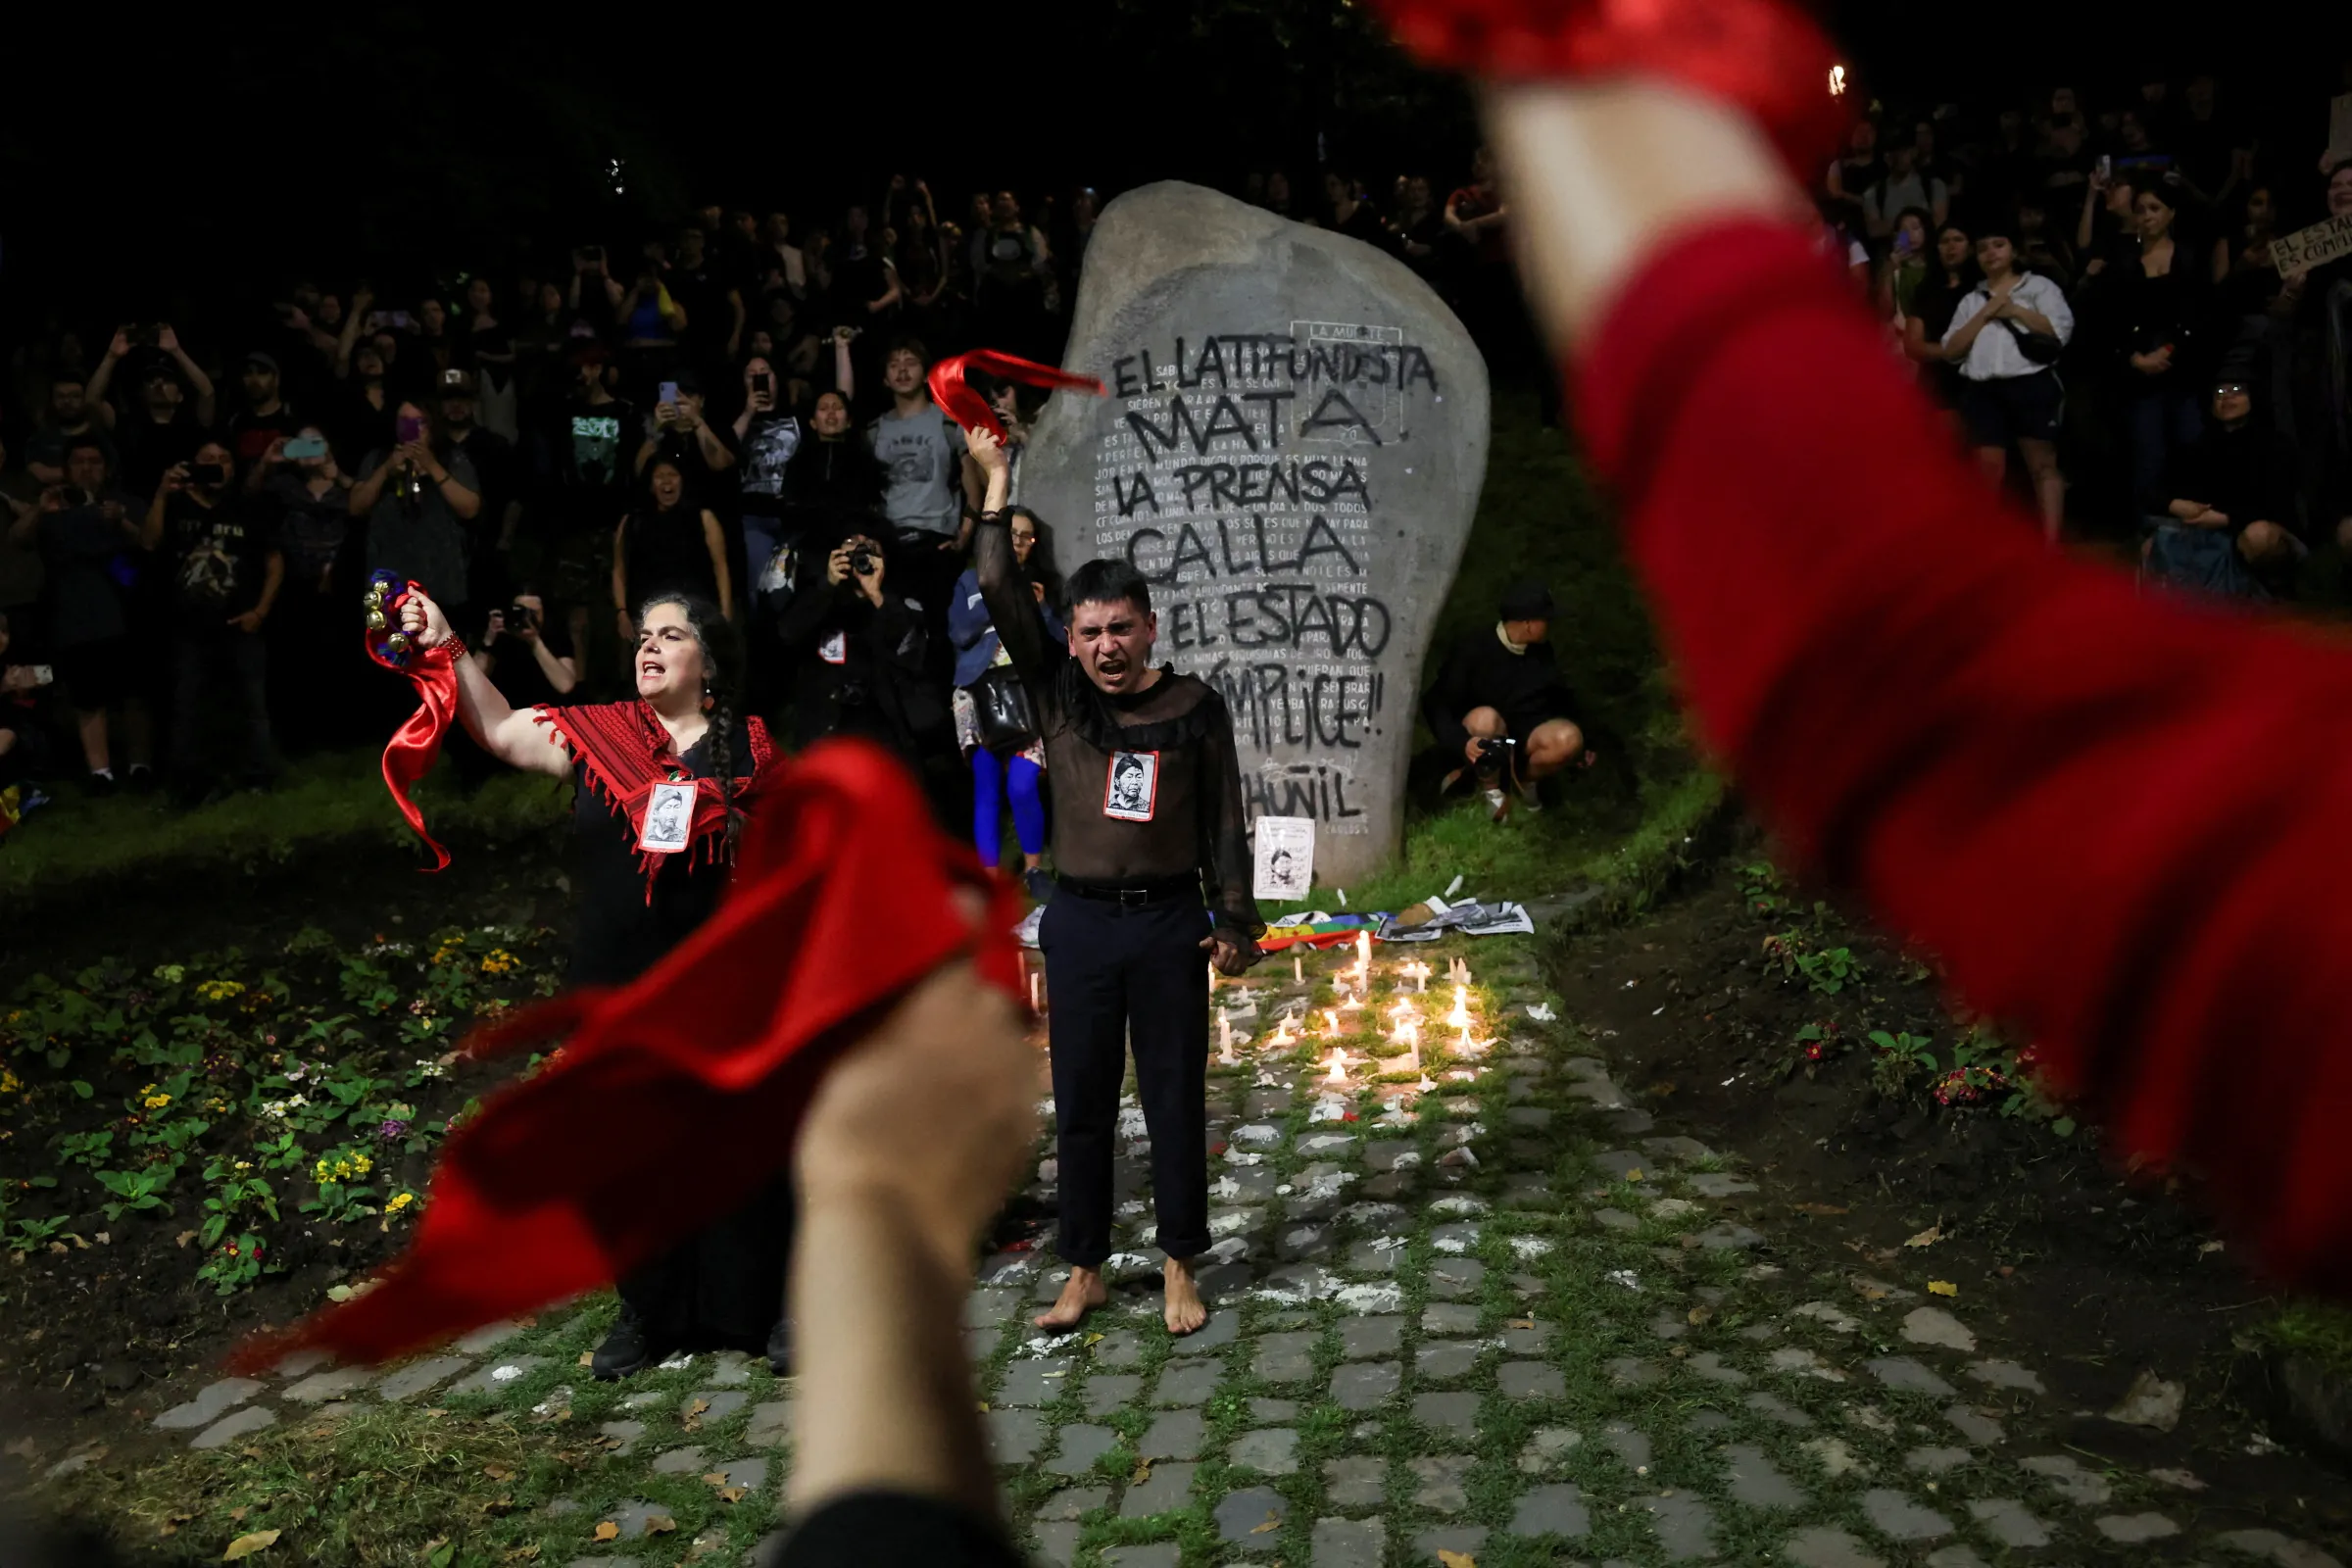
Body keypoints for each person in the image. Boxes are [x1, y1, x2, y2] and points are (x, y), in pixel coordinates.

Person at [392, 584, 794, 1378]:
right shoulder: (600, 734)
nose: (647, 647)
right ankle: (647, 1314)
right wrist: (447, 645)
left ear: (707, 662)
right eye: (642, 635)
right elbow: (503, 728)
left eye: (670, 635)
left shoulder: (752, 751)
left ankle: (772, 1305)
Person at [970, 428, 1261, 1338]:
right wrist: (998, 481)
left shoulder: (1194, 707)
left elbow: (1223, 817)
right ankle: (1085, 1269)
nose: (1106, 645)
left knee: (1174, 1096)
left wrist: (1236, 921)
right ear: (1071, 636)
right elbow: (993, 584)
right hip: (1082, 924)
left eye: (1120, 628)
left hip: (1171, 920)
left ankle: (1180, 1264)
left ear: (1150, 627)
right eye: (1090, 631)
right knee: (1084, 1102)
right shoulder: (1061, 696)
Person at [7, 439, 153, 793]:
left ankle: (140, 767)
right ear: (67, 468)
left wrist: (121, 522)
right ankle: (100, 773)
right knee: (89, 699)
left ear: (106, 467)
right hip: (75, 618)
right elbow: (18, 538)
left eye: (95, 461)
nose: (88, 468)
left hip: (125, 613)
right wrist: (40, 509)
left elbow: (149, 543)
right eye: (79, 462)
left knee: (133, 695)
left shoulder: (122, 504)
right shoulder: (55, 508)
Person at [143, 439, 281, 799]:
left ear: (234, 468)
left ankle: (258, 779)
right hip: (189, 628)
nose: (216, 466)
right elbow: (148, 543)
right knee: (188, 708)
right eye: (207, 460)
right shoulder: (175, 504)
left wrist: (260, 611)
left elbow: (274, 562)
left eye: (223, 460)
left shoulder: (247, 507)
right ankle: (191, 785)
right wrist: (160, 493)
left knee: (253, 707)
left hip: (241, 624)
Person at [949, 506, 1062, 899]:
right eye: (1011, 533)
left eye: (1026, 537)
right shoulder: (968, 581)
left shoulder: (1041, 585)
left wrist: (1042, 608)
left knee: (1023, 784)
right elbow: (959, 632)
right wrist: (995, 593)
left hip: (1024, 695)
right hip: (978, 694)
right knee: (986, 786)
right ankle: (991, 877)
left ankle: (1033, 869)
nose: (1017, 543)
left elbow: (1060, 645)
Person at [1940, 218, 2075, 540]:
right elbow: (1951, 349)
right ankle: (1985, 543)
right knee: (1986, 469)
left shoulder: (2039, 287)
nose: (1991, 253)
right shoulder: (1971, 300)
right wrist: (1987, 312)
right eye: (1984, 248)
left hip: (2031, 384)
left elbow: (2060, 331)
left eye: (1998, 245)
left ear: (2014, 250)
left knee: (2042, 465)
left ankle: (2049, 545)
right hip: (1984, 390)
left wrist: (2014, 310)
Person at [1420, 580, 1592, 819]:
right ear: (1529, 625)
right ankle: (1492, 791)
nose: (1550, 625)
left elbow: (1560, 696)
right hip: (1485, 739)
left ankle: (1525, 782)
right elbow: (1436, 702)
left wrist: (1586, 742)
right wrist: (1461, 742)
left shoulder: (1542, 651)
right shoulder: (1473, 649)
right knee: (1485, 719)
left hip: (1523, 739)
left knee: (1569, 738)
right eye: (1546, 619)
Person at [2142, 375, 2303, 598]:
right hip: (2213, 534)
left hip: (2262, 531)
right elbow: (2153, 491)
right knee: (2152, 544)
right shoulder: (2199, 447)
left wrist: (2227, 519)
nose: (2227, 397)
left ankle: (2273, 587)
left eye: (2236, 390)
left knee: (2258, 536)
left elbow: (2275, 504)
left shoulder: (2275, 445)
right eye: (2219, 393)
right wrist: (2174, 504)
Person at [865, 340, 969, 629]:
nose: (902, 370)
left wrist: (965, 534)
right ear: (885, 379)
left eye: (910, 362)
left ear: (925, 374)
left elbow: (972, 484)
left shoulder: (947, 421)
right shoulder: (874, 431)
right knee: (896, 629)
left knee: (939, 627)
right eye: (894, 364)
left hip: (936, 539)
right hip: (891, 542)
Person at [350, 400, 483, 614]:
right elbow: (356, 507)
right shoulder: (378, 459)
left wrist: (431, 466)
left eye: (420, 422)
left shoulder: (450, 458)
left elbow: (470, 508)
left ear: (432, 426)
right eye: (405, 422)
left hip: (441, 582)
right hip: (389, 583)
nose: (412, 429)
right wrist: (386, 470)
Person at [614, 458, 731, 641]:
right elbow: (619, 570)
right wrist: (621, 612)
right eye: (660, 476)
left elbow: (721, 567)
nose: (667, 481)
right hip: (646, 612)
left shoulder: (703, 518)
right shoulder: (632, 522)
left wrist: (725, 612)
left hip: (693, 611)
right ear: (651, 485)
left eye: (672, 475)